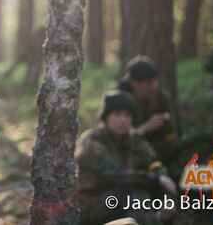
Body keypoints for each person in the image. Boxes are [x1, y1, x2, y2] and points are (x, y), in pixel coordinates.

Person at [75, 91, 177, 225]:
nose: (123, 120)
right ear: (105, 118)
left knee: (157, 190)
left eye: (127, 115)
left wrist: (163, 182)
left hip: (122, 203)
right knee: (132, 192)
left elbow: (154, 163)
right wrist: (155, 179)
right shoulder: (91, 141)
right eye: (117, 114)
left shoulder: (134, 140)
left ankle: (159, 218)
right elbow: (114, 175)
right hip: (91, 205)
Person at [118, 55, 178, 163]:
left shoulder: (161, 97)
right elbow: (118, 141)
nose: (153, 86)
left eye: (155, 81)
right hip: (130, 156)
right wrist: (145, 128)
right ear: (134, 83)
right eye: (148, 83)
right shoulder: (121, 102)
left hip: (160, 151)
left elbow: (173, 134)